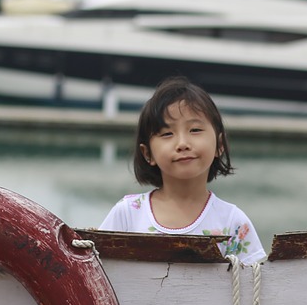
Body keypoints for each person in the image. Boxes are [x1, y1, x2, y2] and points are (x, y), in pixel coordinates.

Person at [99, 76, 266, 265]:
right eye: (167, 134)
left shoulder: (232, 222)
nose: (183, 143)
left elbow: (257, 284)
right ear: (148, 154)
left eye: (195, 130)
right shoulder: (128, 214)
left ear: (219, 144)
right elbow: (97, 273)